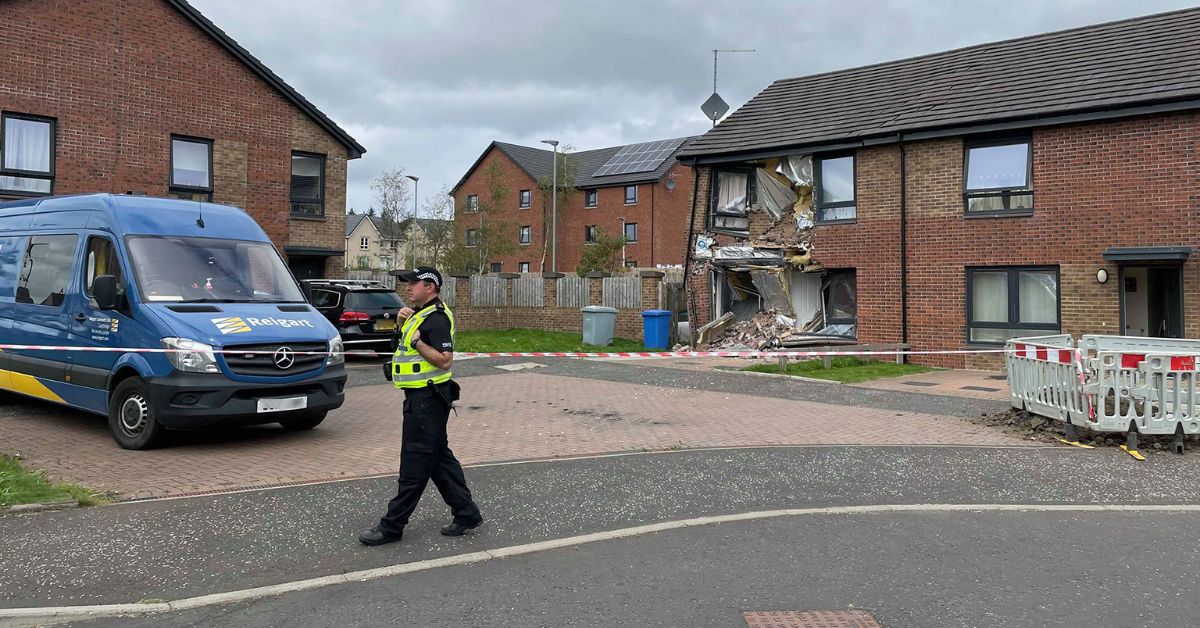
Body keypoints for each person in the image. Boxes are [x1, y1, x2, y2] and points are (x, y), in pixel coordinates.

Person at [358, 266, 483, 546]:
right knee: (439, 461)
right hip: (421, 400)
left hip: (427, 402)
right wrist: (404, 327)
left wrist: (415, 339)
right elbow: (400, 350)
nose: (408, 287)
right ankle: (467, 513)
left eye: (413, 283)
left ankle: (392, 526)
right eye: (407, 283)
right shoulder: (418, 315)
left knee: (414, 466)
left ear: (430, 286)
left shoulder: (436, 319)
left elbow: (444, 359)